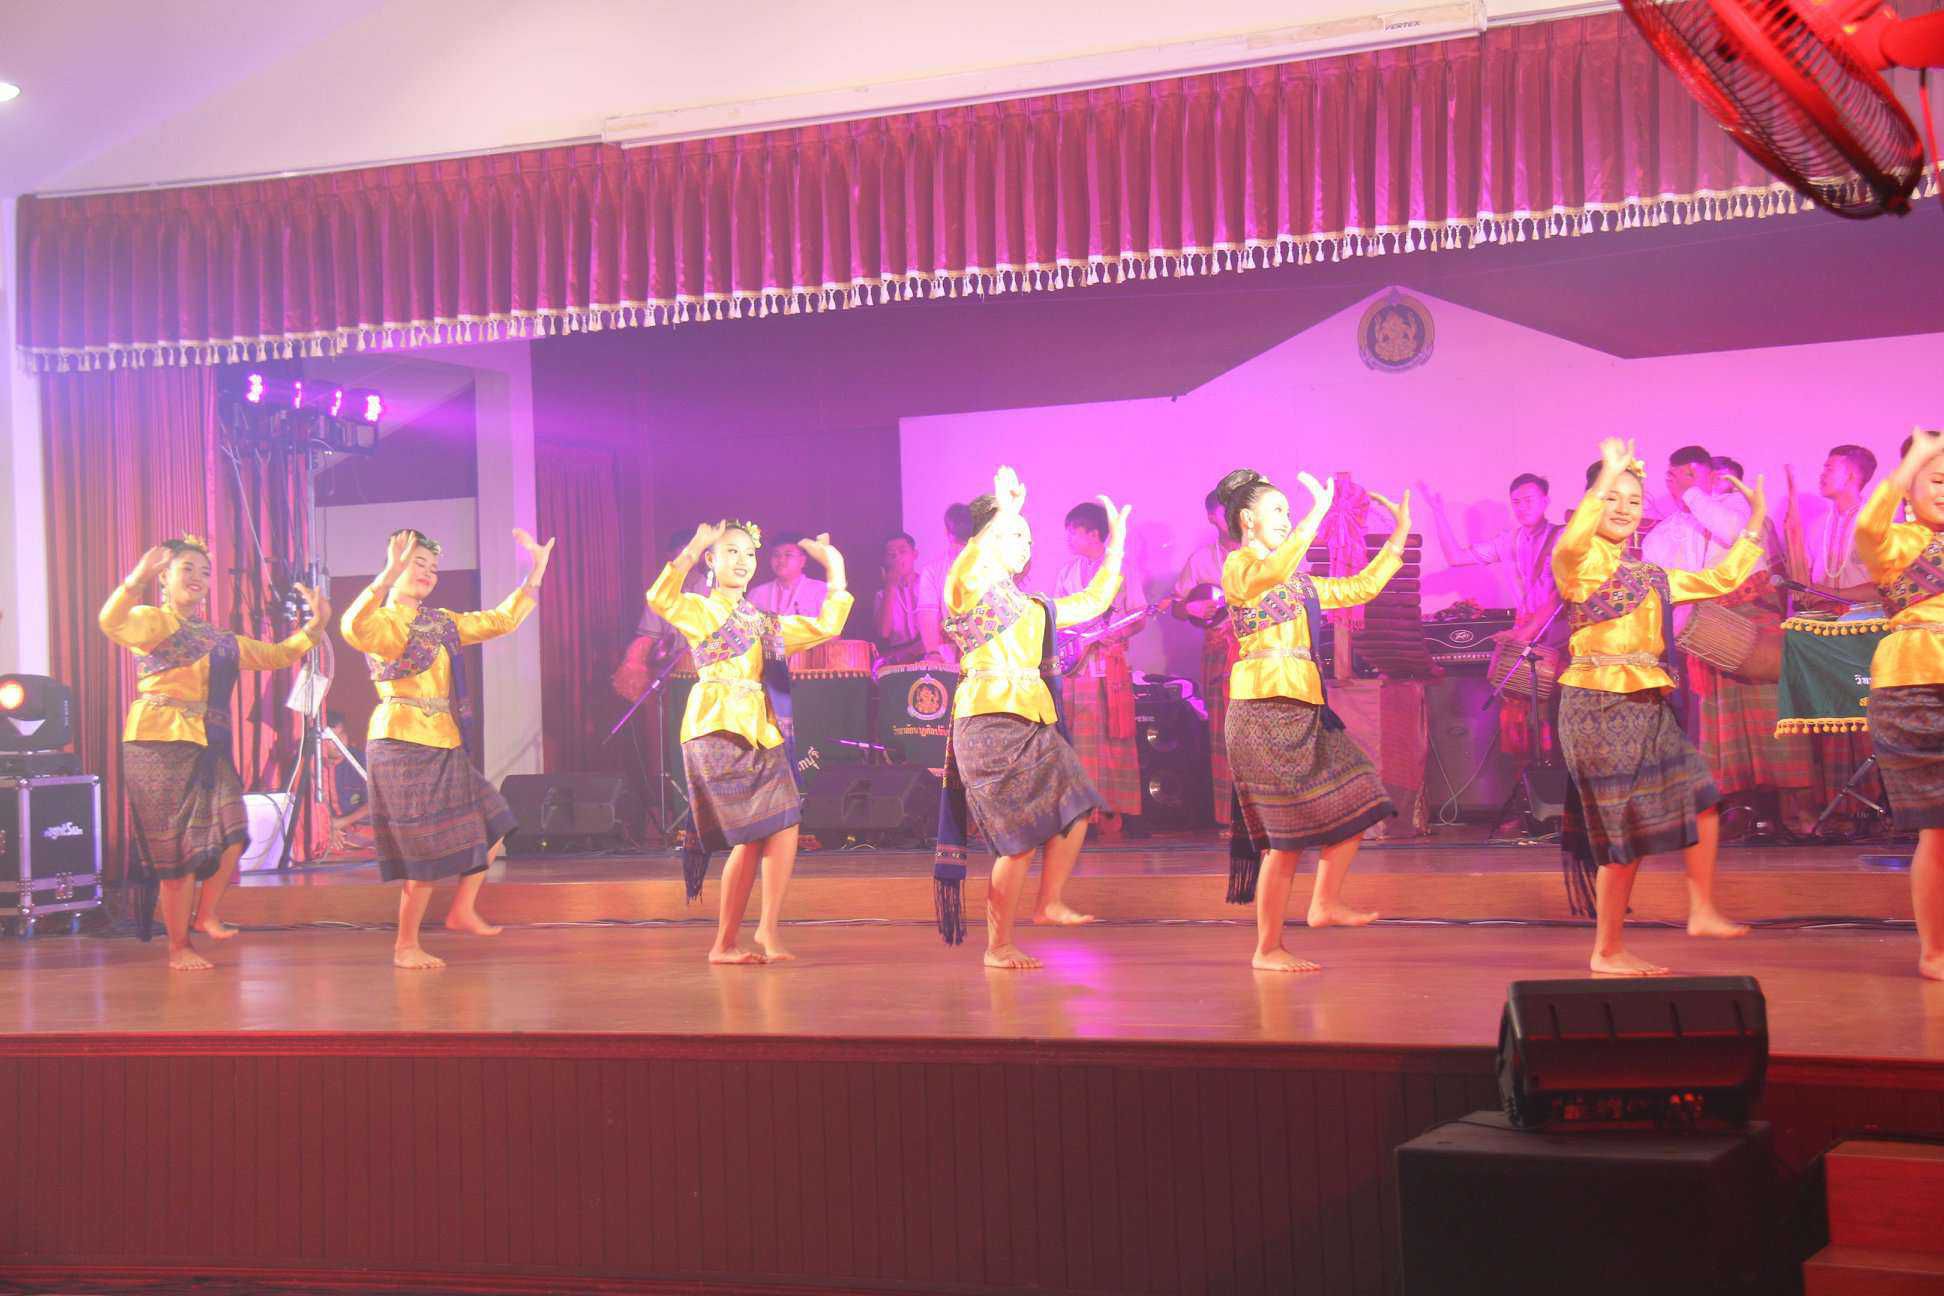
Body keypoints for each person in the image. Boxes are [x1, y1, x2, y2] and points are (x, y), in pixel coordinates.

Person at [1553, 438, 1764, 976]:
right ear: (1591, 502)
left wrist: (1756, 523)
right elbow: (1576, 536)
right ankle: (1607, 950)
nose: (1625, 508)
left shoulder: (1649, 574)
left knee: (1703, 798)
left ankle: (1701, 909)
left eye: (1633, 499)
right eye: (1612, 498)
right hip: (1598, 704)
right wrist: (1609, 474)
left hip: (1649, 702)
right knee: (1624, 835)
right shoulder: (1575, 562)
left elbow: (1721, 578)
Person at [99, 535, 329, 971]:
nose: (198, 578)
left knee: (234, 833)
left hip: (208, 744)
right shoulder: (151, 620)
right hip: (157, 743)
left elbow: (279, 655)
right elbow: (111, 622)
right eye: (187, 568)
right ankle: (178, 947)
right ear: (164, 577)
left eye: (204, 572)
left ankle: (205, 914)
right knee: (179, 855)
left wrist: (315, 626)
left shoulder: (222, 640)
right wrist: (134, 580)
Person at [933, 466, 1128, 970]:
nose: (1025, 543)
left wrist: (1116, 547)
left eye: (1027, 536)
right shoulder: (966, 589)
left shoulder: (1031, 605)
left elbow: (1092, 602)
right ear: (987, 539)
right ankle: (998, 945)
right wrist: (1003, 511)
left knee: (1078, 806)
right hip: (989, 720)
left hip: (1033, 719)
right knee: (1017, 840)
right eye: (1014, 535)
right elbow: (967, 568)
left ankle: (1049, 902)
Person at [1218, 468, 1408, 972]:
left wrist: (1398, 539)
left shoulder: (1298, 582)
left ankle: (1324, 902)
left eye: (1289, 511)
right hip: (1261, 711)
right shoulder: (1238, 566)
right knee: (1284, 842)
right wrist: (1317, 515)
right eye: (1278, 511)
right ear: (1247, 519)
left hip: (1305, 707)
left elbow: (1359, 588)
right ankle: (1268, 948)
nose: (1287, 519)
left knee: (1362, 795)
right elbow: (1271, 573)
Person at [342, 526, 553, 970]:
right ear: (395, 565)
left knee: (495, 821)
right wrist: (385, 576)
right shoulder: (383, 622)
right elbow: (352, 627)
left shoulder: (439, 623)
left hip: (444, 739)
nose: (428, 573)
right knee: (423, 852)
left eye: (433, 567)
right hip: (400, 741)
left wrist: (535, 572)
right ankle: (405, 945)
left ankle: (462, 910)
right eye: (418, 563)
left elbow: (500, 620)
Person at [646, 521, 852, 964]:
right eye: (731, 552)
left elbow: (827, 625)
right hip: (716, 728)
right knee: (751, 836)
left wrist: (834, 566)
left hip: (762, 730)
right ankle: (724, 943)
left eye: (749, 554)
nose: (742, 561)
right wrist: (695, 543)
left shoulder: (763, 622)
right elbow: (660, 598)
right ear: (711, 560)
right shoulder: (700, 609)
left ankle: (765, 929)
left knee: (785, 825)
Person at [1683, 454, 1815, 836]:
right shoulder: (1698, 518)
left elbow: (1734, 535)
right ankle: (1741, 810)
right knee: (1727, 727)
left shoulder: (1741, 510)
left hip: (1757, 628)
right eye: (1714, 478)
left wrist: (1693, 493)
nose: (1719, 484)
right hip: (1720, 629)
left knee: (1773, 717)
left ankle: (1795, 812)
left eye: (1724, 477)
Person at [1854, 426, 1944, 980]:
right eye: (1936, 479)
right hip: (1914, 690)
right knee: (1939, 830)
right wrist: (1911, 462)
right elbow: (1867, 525)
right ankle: (1935, 952)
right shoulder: (1896, 542)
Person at [1055, 501, 1146, 833]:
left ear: (1094, 533)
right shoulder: (1067, 572)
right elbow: (1057, 619)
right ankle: (1082, 812)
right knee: (1077, 737)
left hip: (1108, 665)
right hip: (1075, 667)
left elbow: (1139, 615)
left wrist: (1114, 633)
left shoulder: (1123, 569)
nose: (1068, 538)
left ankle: (1112, 810)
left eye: (1073, 532)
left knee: (1111, 736)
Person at [1423, 472, 1566, 641]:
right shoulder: (1506, 542)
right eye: (1516, 502)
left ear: (1545, 502)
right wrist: (1438, 513)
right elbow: (1456, 558)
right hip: (1523, 630)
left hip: (1558, 632)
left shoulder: (1563, 537)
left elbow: (1566, 592)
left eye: (1529, 500)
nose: (1522, 507)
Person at [1173, 488, 1243, 826]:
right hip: (1218, 654)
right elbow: (1176, 605)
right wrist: (1191, 608)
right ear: (1212, 517)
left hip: (1257, 654)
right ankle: (1230, 818)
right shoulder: (1201, 560)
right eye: (1223, 511)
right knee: (1223, 734)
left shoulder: (1264, 556)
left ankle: (1268, 816)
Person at [916, 502, 977, 665]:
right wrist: (933, 652)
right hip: (952, 657)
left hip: (982, 657)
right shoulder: (933, 571)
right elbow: (927, 614)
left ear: (947, 532)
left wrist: (933, 652)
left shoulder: (989, 566)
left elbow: (927, 614)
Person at [320, 710, 374, 858]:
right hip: (323, 827)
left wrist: (340, 823)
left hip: (355, 823)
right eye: (331, 738)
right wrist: (327, 828)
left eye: (341, 735)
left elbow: (376, 802)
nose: (339, 742)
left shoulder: (361, 760)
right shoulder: (311, 765)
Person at [874, 531, 925, 665]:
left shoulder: (927, 584)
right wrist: (890, 586)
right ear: (885, 561)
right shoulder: (882, 595)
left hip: (928, 653)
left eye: (903, 552)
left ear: (914, 554)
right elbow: (883, 633)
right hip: (899, 659)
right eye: (891, 554)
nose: (897, 557)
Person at [747, 538, 828, 616]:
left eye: (788, 555)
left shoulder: (821, 591)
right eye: (776, 555)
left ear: (802, 561)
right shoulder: (756, 594)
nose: (781, 560)